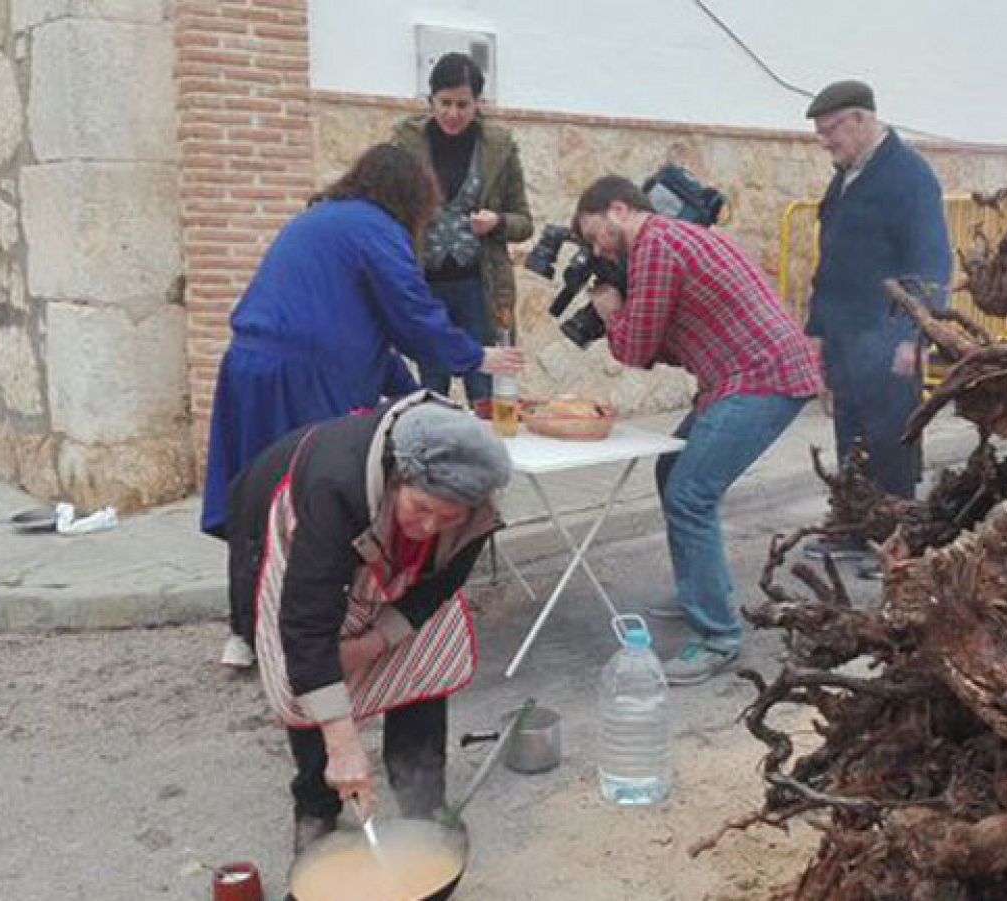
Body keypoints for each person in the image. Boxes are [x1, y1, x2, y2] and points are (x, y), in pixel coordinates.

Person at [201, 144, 524, 665]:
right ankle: (310, 641)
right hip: (302, 377)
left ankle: (244, 634)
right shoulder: (377, 230)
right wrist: (477, 356)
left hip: (247, 368)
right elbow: (414, 316)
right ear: (409, 197)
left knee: (255, 500)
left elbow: (377, 340)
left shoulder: (323, 221)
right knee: (311, 501)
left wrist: (425, 403)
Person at [222, 394, 510, 857]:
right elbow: (307, 626)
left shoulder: (473, 513)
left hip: (368, 541)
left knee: (423, 658)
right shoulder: (336, 487)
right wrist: (344, 746)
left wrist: (375, 643)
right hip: (289, 512)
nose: (431, 526)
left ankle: (423, 802)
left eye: (448, 517)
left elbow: (437, 589)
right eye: (420, 507)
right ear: (398, 479)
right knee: (312, 675)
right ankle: (317, 808)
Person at [574, 176, 822, 686]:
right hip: (743, 377)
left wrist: (611, 313)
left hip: (761, 378)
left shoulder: (656, 245)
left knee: (690, 494)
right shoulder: (669, 239)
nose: (596, 248)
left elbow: (638, 349)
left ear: (618, 209)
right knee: (672, 470)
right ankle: (701, 589)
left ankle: (717, 637)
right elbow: (666, 337)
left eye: (594, 233)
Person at [801, 80, 953, 577]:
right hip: (846, 333)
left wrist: (917, 336)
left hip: (890, 335)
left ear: (862, 120)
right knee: (852, 433)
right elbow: (832, 261)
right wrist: (817, 332)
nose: (826, 141)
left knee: (893, 439)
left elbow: (931, 261)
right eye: (821, 134)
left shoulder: (908, 176)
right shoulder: (844, 177)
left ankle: (898, 541)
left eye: (831, 131)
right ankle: (854, 528)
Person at [391, 52, 533, 402]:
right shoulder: (405, 145)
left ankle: (487, 456)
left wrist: (497, 222)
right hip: (426, 288)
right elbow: (389, 211)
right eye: (445, 103)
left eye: (463, 105)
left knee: (487, 392)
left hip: (479, 290)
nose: (453, 114)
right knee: (430, 391)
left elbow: (524, 222)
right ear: (431, 101)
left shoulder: (499, 148)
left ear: (478, 104)